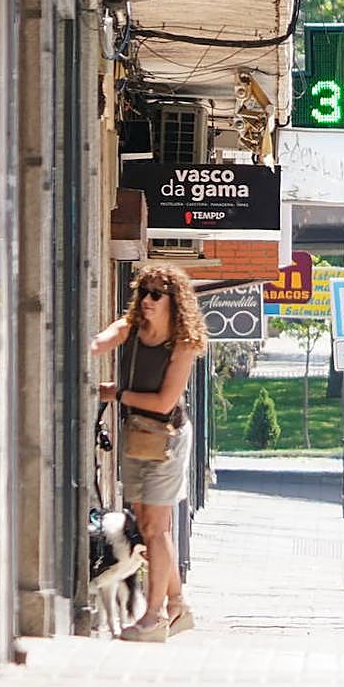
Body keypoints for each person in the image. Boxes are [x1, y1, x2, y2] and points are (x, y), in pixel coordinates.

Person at [89, 264, 206, 642]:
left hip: (167, 437)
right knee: (148, 522)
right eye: (144, 292)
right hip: (136, 433)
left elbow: (164, 401)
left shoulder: (183, 342)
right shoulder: (133, 326)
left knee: (156, 527)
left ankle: (153, 618)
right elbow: (103, 339)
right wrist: (94, 344)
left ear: (175, 301)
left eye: (157, 294)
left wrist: (117, 393)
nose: (148, 300)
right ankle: (177, 605)